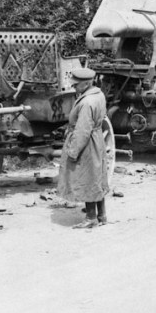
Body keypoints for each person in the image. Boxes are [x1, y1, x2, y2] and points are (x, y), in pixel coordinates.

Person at [57, 67, 110, 229]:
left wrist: (73, 151)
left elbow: (82, 130)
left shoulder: (87, 102)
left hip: (87, 143)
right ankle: (101, 215)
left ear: (86, 84)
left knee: (86, 178)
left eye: (77, 85)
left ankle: (91, 218)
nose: (74, 87)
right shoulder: (98, 95)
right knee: (96, 177)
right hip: (97, 139)